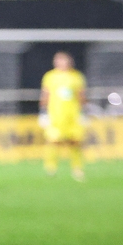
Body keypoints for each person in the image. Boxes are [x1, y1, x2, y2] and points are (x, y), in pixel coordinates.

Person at [40, 51, 87, 181]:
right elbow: (45, 95)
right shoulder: (50, 76)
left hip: (72, 115)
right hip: (55, 116)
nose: (61, 63)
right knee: (53, 141)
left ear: (69, 62)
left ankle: (77, 169)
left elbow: (81, 96)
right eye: (58, 60)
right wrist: (43, 113)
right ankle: (51, 168)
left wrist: (84, 112)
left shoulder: (76, 76)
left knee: (75, 142)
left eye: (63, 60)